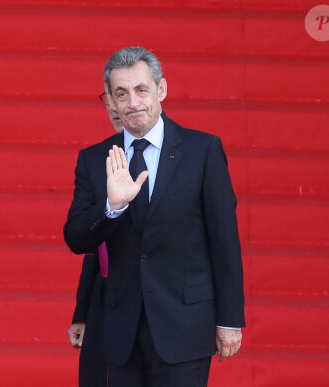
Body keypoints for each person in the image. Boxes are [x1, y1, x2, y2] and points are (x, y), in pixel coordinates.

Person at [64, 47, 245, 386]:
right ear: (110, 101)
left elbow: (225, 242)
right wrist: (111, 208)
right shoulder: (94, 159)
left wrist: (230, 320)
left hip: (186, 326)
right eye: (121, 94)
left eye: (141, 90)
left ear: (161, 90)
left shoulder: (202, 151)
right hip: (119, 331)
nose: (132, 102)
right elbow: (76, 238)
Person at [67, 91, 123, 387]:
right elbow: (93, 246)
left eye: (123, 95)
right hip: (105, 299)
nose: (115, 106)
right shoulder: (96, 158)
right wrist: (83, 312)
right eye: (110, 96)